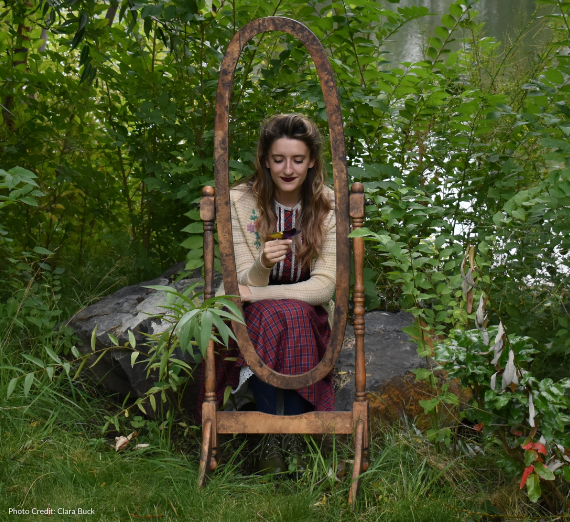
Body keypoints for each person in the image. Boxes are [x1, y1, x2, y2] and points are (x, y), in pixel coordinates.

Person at [197, 113, 336, 473]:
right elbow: (239, 281)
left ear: (311, 162)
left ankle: (282, 436)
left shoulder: (326, 205)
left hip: (303, 308)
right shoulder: (241, 201)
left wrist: (256, 294)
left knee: (288, 313)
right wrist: (262, 263)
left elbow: (324, 286)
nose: (288, 168)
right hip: (250, 313)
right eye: (278, 159)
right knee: (274, 314)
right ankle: (273, 436)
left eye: (298, 159)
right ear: (264, 160)